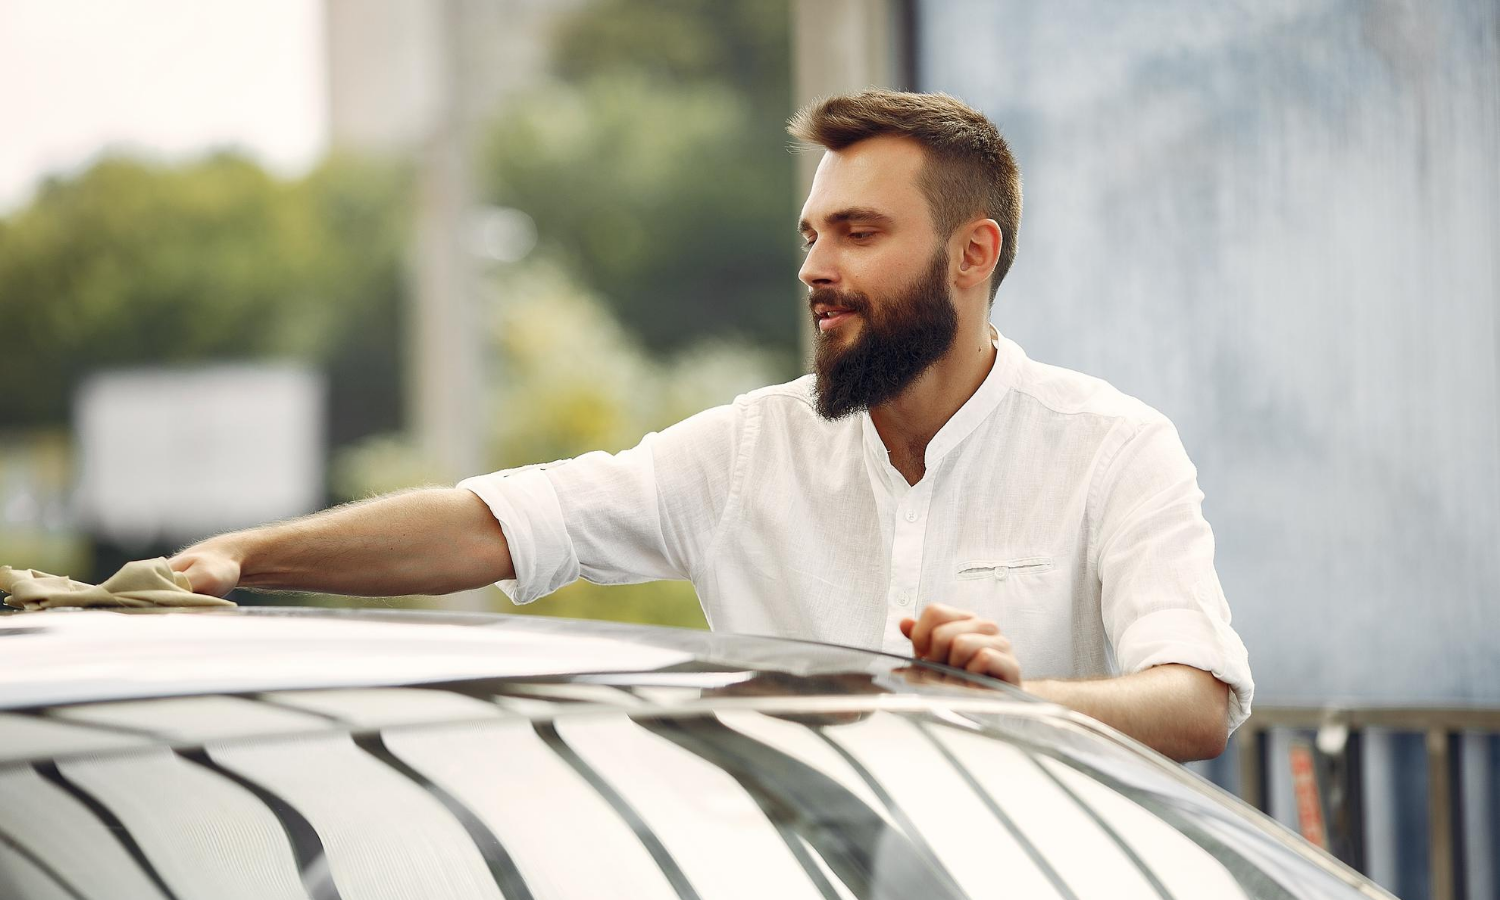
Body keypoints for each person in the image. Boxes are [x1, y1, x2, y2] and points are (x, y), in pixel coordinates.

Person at [172, 90, 1251, 762]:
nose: (815, 269)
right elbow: (491, 526)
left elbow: (1195, 700)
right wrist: (240, 556)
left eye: (858, 232)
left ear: (972, 254)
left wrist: (1023, 706)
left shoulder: (1113, 446)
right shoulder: (743, 452)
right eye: (812, 233)